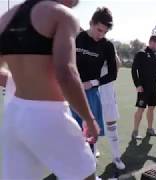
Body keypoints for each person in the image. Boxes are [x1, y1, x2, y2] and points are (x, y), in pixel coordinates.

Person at [0, 0, 99, 179]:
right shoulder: (62, 15)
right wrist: (89, 119)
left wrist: (25, 79)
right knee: (86, 176)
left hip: (13, 117)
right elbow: (66, 73)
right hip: (48, 116)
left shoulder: (6, 18)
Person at [71, 7, 116, 155]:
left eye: (104, 32)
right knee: (70, 134)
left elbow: (113, 74)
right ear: (91, 23)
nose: (101, 35)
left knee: (88, 137)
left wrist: (92, 83)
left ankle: (88, 171)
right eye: (98, 30)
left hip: (90, 94)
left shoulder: (107, 46)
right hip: (69, 91)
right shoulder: (77, 38)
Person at [98, 51, 126, 169]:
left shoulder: (107, 46)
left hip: (108, 91)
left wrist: (112, 54)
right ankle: (92, 152)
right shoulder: (84, 45)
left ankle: (116, 157)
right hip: (91, 89)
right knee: (91, 122)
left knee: (111, 123)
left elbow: (118, 65)